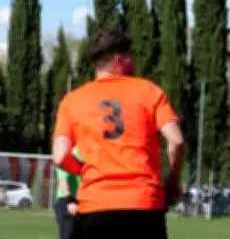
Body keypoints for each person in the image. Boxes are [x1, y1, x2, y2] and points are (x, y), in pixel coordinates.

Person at [50, 31, 186, 239]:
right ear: (119, 60)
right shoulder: (149, 91)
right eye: (131, 55)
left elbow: (59, 156)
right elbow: (176, 141)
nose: (135, 61)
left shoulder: (71, 101)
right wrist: (172, 183)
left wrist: (82, 170)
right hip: (143, 204)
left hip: (95, 206)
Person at [54, 146, 82, 239]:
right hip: (69, 203)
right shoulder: (71, 153)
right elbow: (62, 179)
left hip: (85, 203)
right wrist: (70, 201)